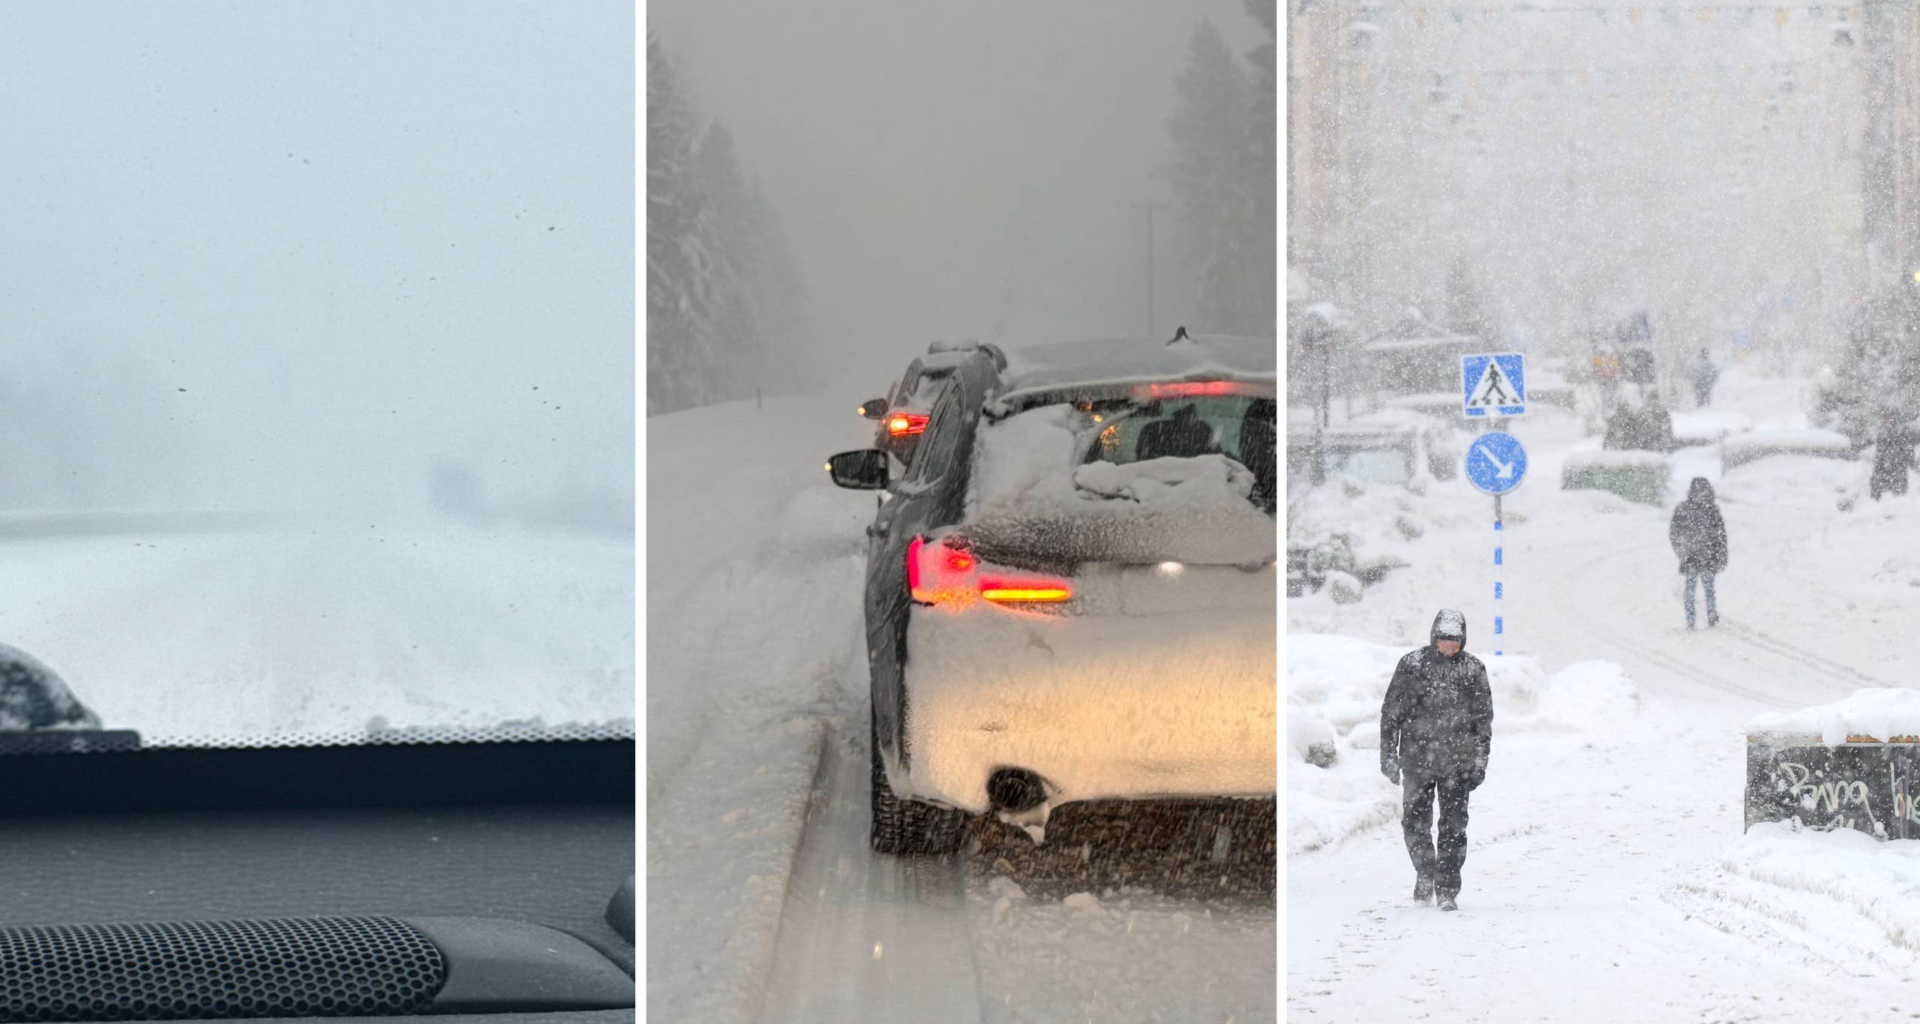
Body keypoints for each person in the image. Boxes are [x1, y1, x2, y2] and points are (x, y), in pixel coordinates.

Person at [1379, 609, 1493, 913]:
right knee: (1414, 823)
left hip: (1458, 763)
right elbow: (1391, 713)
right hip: (1417, 761)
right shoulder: (1412, 666)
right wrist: (1388, 755)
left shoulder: (1473, 670)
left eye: (1455, 641)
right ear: (1434, 637)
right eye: (1444, 640)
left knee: (1454, 827)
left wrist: (1480, 762)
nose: (1449, 646)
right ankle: (1425, 872)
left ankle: (1446, 889)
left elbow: (1483, 722)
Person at [1668, 477, 1728, 629]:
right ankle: (1710, 616)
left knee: (1692, 588)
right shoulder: (1711, 510)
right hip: (1706, 555)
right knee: (1706, 588)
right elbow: (1720, 536)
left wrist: (1683, 552)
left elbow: (1675, 534)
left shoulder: (1684, 509)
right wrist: (1720, 555)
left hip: (1693, 556)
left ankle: (1692, 618)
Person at [1135, 404, 1215, 460]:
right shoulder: (1202, 430)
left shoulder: (1152, 430)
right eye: (1191, 415)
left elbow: (1140, 459)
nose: (1194, 418)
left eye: (1193, 415)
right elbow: (1216, 456)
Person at [1871, 414, 1916, 500]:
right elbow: (1879, 451)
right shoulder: (1882, 432)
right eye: (1885, 419)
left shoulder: (1900, 431)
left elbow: (1908, 448)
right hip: (1885, 466)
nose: (1886, 421)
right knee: (1880, 485)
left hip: (1896, 466)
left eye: (1888, 419)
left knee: (1898, 490)